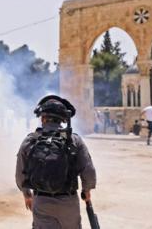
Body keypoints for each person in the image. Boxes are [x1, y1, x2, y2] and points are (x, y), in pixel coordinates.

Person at [15, 95, 97, 228]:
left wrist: (26, 194)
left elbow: (20, 173)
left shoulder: (30, 140)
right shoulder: (74, 140)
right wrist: (86, 190)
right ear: (63, 120)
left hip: (41, 201)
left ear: (42, 118)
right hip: (68, 203)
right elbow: (88, 170)